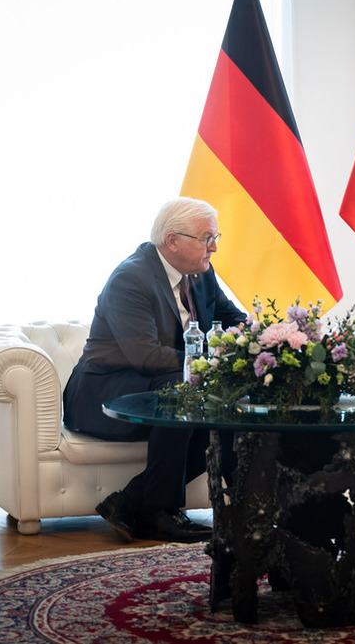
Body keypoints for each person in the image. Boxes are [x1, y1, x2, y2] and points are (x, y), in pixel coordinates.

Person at [64, 197, 247, 543]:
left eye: (216, 236)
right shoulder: (131, 279)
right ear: (173, 241)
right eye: (207, 238)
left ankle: (132, 503)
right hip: (107, 395)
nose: (215, 247)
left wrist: (262, 340)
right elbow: (146, 356)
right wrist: (215, 366)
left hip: (161, 384)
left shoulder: (201, 275)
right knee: (185, 389)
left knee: (218, 415)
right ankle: (159, 513)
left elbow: (232, 317)